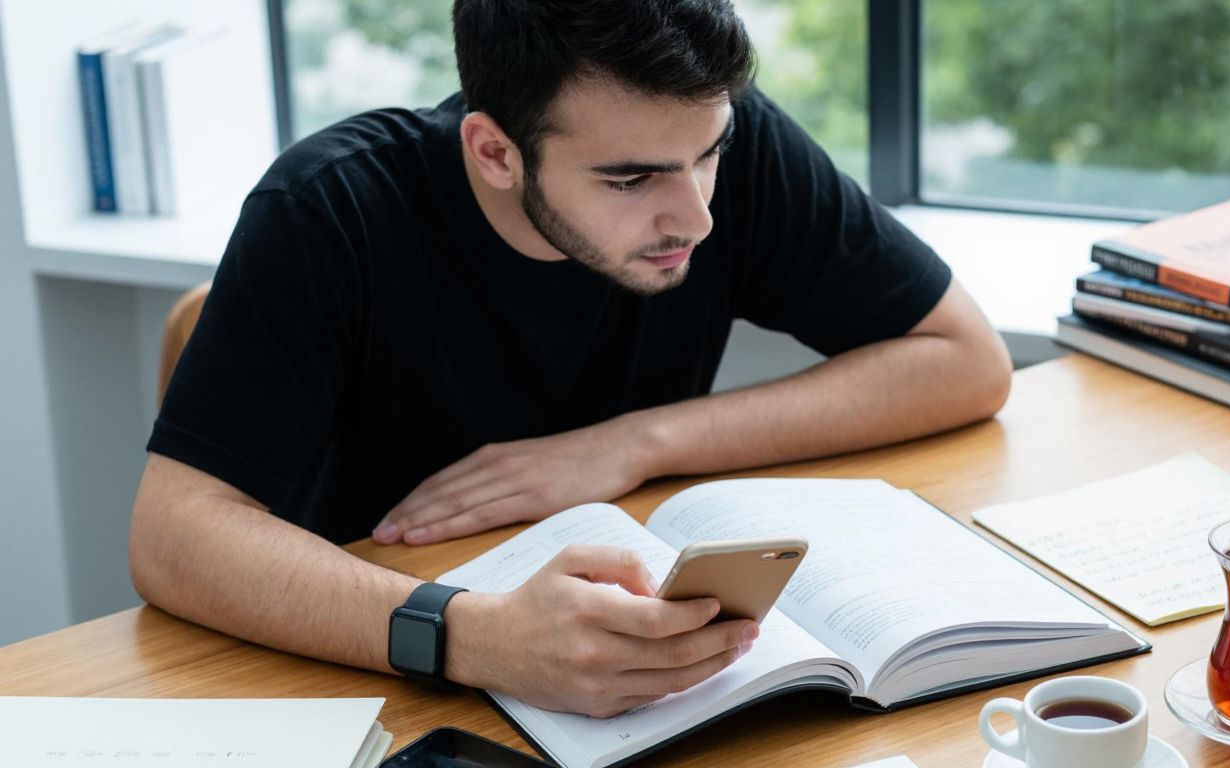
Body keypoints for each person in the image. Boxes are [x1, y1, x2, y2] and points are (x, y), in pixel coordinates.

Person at [129, 0, 1012, 718]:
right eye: (631, 182)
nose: (696, 216)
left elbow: (964, 360)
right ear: (495, 152)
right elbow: (172, 536)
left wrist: (631, 444)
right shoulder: (330, 210)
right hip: (368, 681)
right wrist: (472, 639)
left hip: (632, 685)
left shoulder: (702, 144)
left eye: (710, 155)